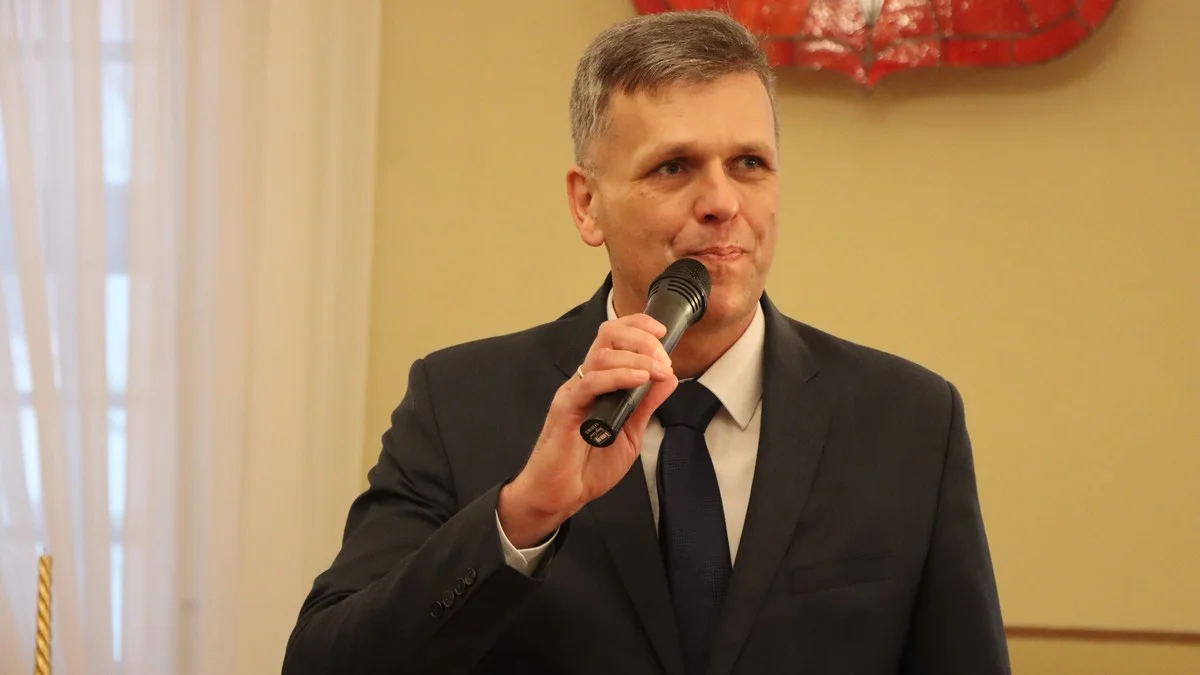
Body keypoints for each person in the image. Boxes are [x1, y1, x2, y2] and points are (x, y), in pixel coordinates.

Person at [282, 10, 1010, 675]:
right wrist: (520, 519)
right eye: (674, 167)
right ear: (587, 203)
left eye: (749, 164)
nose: (722, 202)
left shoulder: (911, 420)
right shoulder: (459, 403)